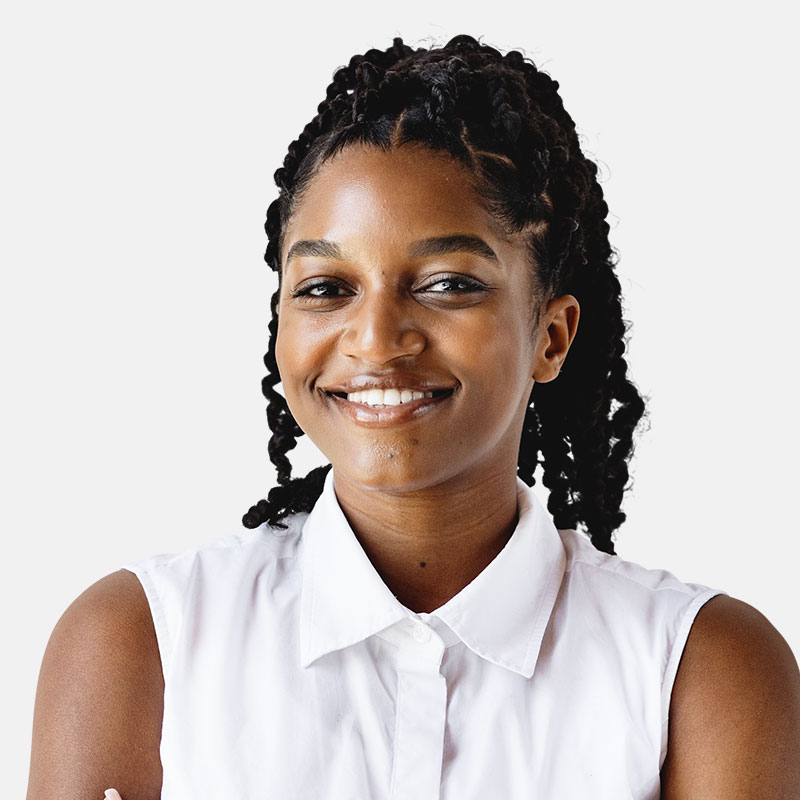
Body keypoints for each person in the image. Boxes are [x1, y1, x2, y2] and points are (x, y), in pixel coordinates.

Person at [27, 35, 800, 799]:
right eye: (326, 288)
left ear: (552, 336)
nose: (374, 339)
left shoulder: (700, 669)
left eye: (448, 284)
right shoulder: (139, 643)